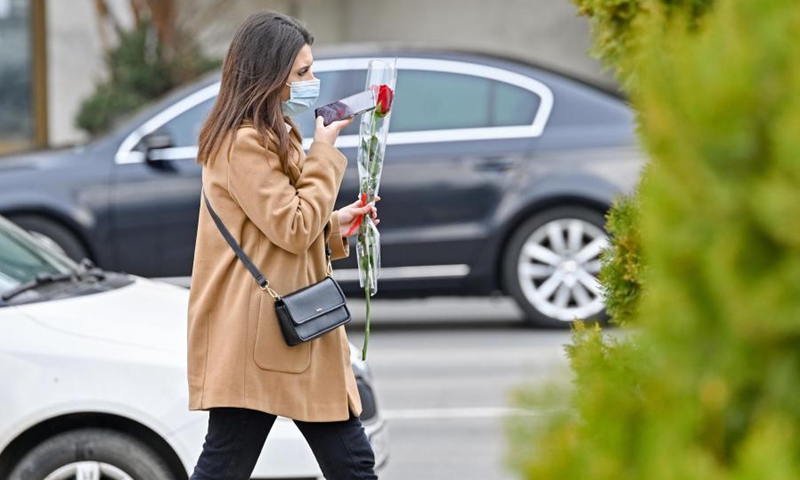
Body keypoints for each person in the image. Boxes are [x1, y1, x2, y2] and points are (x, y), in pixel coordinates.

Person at [186, 10, 381, 480]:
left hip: (289, 331)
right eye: (302, 73)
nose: (313, 81)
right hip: (261, 337)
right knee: (229, 465)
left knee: (351, 464)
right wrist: (324, 152)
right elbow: (292, 227)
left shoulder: (273, 135)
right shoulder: (241, 143)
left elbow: (277, 227)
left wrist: (334, 225)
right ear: (268, 78)